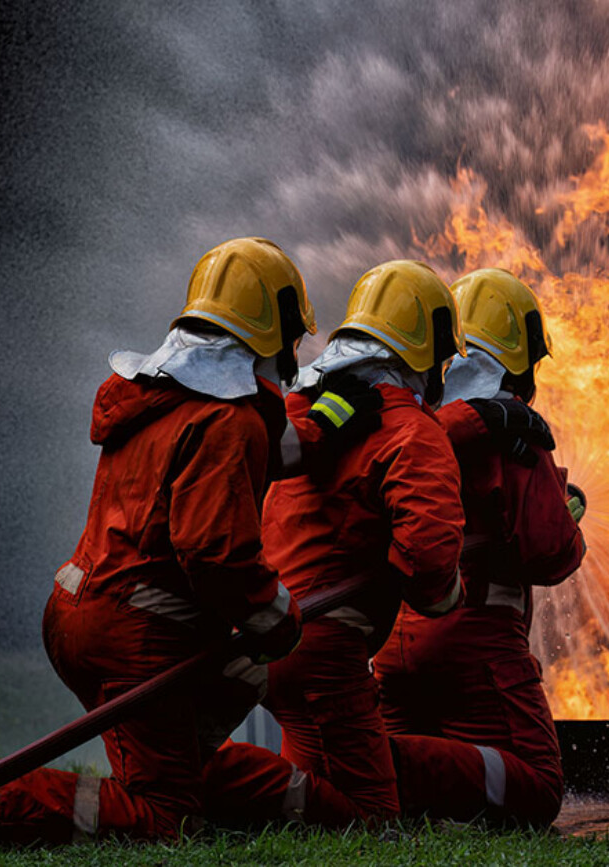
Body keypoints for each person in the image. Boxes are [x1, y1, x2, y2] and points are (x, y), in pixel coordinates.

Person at [0, 237, 366, 846]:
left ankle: (185, 767)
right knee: (165, 818)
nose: (293, 357)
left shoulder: (164, 396)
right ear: (273, 328)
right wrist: (275, 611)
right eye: (293, 339)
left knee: (210, 723)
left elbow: (278, 443)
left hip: (81, 611)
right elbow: (213, 552)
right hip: (138, 635)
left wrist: (337, 409)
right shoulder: (226, 421)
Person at [201, 259, 468, 828]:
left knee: (315, 801)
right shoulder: (415, 433)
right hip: (326, 652)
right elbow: (429, 561)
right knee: (373, 820)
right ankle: (192, 780)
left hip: (269, 636)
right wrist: (448, 592)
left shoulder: (303, 412)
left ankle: (192, 783)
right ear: (427, 352)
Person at [373, 267, 587, 828]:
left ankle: (374, 763)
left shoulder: (414, 421)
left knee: (413, 787)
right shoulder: (514, 432)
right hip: (476, 642)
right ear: (519, 361)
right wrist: (564, 516)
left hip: (396, 640)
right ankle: (384, 762)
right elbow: (549, 553)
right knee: (537, 785)